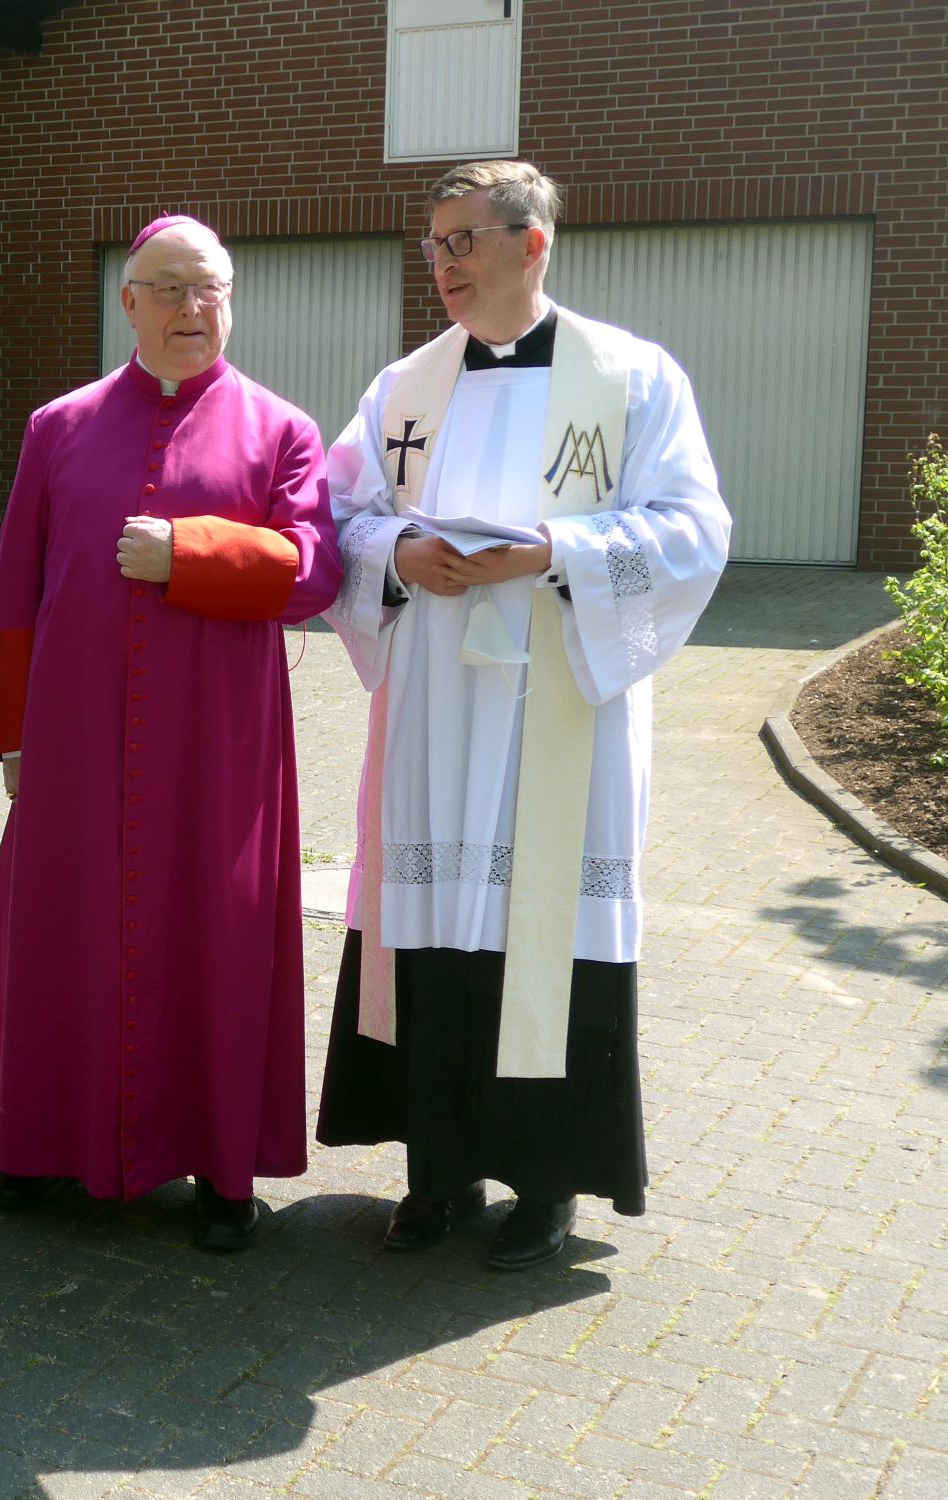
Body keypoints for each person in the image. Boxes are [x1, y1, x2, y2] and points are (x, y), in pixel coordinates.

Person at [316, 160, 730, 1270]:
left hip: (559, 706)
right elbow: (338, 516)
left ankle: (547, 1187)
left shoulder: (630, 377)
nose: (441, 264)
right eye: (434, 243)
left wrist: (554, 551)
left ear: (531, 243)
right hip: (434, 707)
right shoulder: (404, 385)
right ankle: (437, 1172)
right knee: (434, 924)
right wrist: (397, 554)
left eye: (462, 241)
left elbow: (693, 530)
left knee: (542, 924)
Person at [0, 214, 341, 1250]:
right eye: (166, 288)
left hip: (218, 745)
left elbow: (314, 571)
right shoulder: (58, 425)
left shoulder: (282, 430)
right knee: (61, 928)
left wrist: (189, 555)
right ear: (127, 302)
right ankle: (32, 1140)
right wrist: (12, 736)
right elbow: (13, 590)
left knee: (217, 934)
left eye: (208, 289)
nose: (190, 309)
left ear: (230, 299)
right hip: (76, 730)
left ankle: (219, 1165)